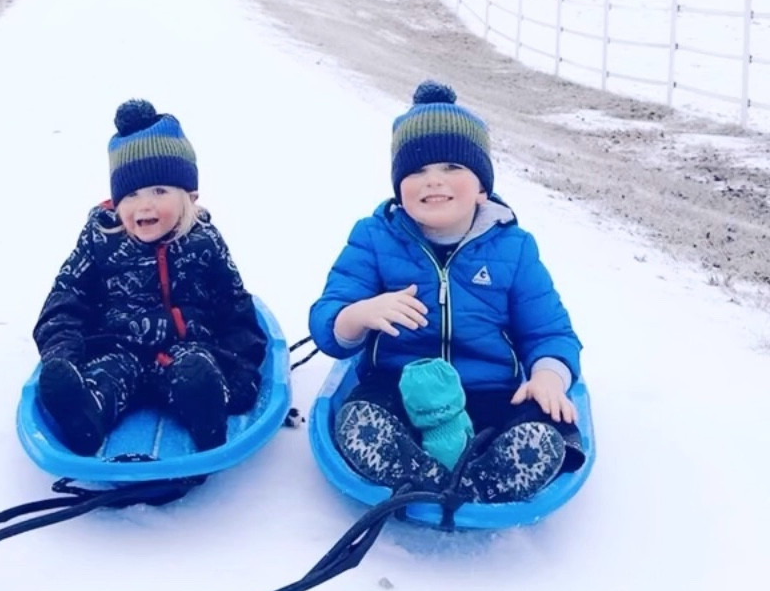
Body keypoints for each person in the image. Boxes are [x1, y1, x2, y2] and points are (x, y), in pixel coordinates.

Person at [308, 81, 583, 502]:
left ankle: (480, 480)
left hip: (492, 393)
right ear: (399, 186)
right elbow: (329, 321)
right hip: (399, 389)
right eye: (416, 170)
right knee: (358, 422)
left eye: (452, 167)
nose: (433, 181)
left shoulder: (514, 248)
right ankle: (428, 476)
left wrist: (547, 377)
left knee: (546, 435)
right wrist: (359, 314)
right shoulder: (374, 238)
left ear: (482, 187)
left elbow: (549, 332)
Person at [33, 99, 266, 455]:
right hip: (118, 346)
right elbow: (67, 297)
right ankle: (85, 416)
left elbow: (233, 304)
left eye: (159, 191)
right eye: (131, 194)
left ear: (188, 196)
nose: (144, 205)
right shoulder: (101, 239)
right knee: (105, 378)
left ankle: (207, 411)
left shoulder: (204, 240)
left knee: (196, 372)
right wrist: (63, 355)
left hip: (187, 349)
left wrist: (241, 369)